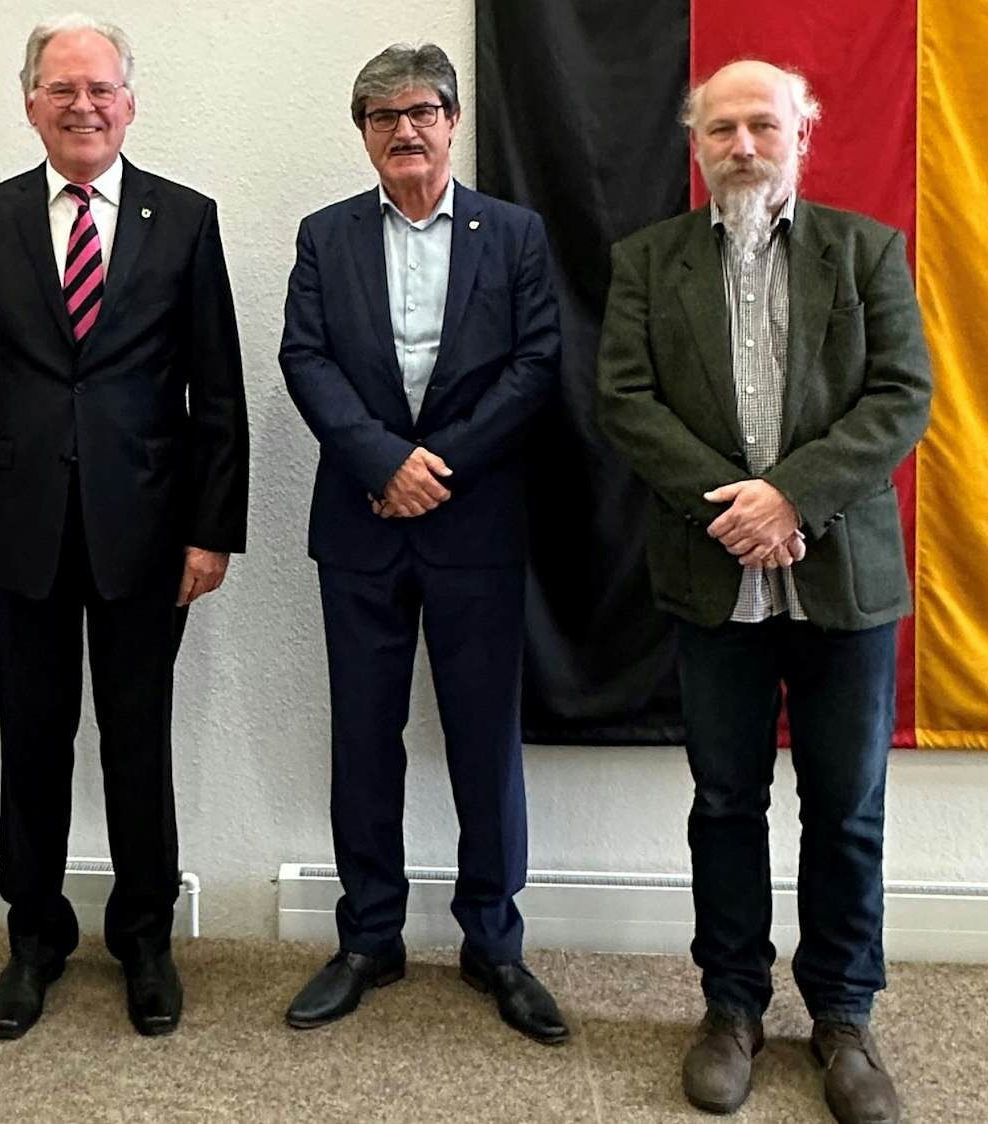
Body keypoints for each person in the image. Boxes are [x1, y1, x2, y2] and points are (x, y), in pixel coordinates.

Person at [596, 59, 933, 1124]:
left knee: (846, 807)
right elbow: (626, 399)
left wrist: (788, 498)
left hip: (843, 573)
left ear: (802, 136)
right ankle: (731, 1005)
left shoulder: (864, 250)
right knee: (725, 802)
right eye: (721, 128)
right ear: (695, 146)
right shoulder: (647, 261)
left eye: (762, 126)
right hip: (712, 577)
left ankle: (841, 1016)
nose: (742, 145)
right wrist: (732, 510)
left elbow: (900, 394)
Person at [0, 13, 248, 1040]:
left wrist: (212, 531)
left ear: (129, 103)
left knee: (136, 739)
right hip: (17, 526)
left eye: (100, 89)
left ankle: (144, 936)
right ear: (30, 103)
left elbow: (219, 391)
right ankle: (35, 934)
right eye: (61, 89)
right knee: (34, 740)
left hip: (148, 531)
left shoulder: (185, 219)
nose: (83, 106)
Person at [277, 42, 567, 1045]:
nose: (405, 129)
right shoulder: (325, 236)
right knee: (363, 736)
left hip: (475, 522)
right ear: (361, 132)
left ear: (451, 121)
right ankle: (368, 937)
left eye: (424, 110)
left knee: (485, 740)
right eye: (382, 114)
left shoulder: (516, 234)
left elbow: (536, 366)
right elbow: (303, 357)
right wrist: (380, 463)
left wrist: (434, 463)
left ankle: (494, 938)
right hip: (359, 525)